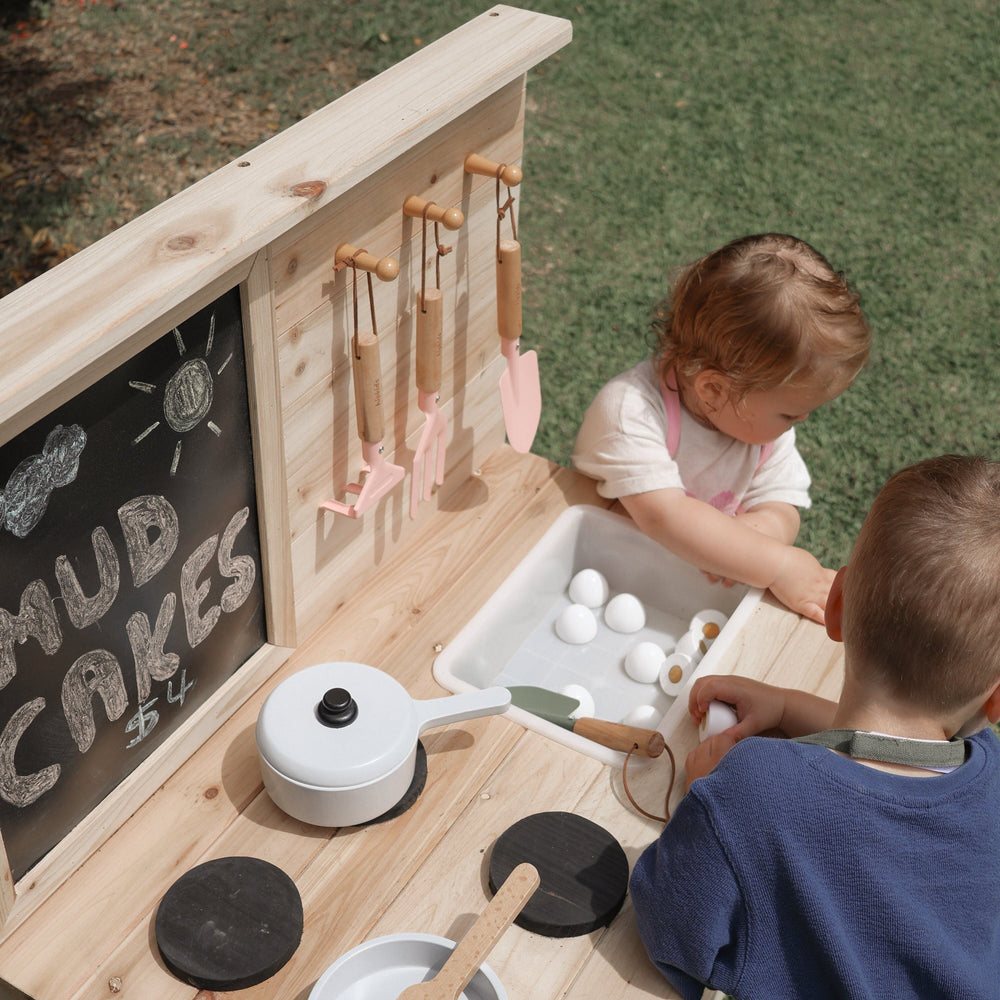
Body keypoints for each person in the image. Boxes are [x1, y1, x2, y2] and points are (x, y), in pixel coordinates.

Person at [629, 454, 1000, 1000]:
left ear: (835, 604)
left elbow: (671, 928)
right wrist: (788, 707)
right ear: (996, 699)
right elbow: (901, 763)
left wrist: (704, 799)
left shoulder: (750, 797)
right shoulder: (987, 775)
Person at [572, 233, 871, 624]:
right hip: (598, 576)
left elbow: (783, 506)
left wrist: (744, 541)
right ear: (714, 390)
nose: (801, 422)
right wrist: (777, 565)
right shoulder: (630, 414)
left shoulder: (764, 433)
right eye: (788, 414)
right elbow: (665, 517)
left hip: (674, 597)